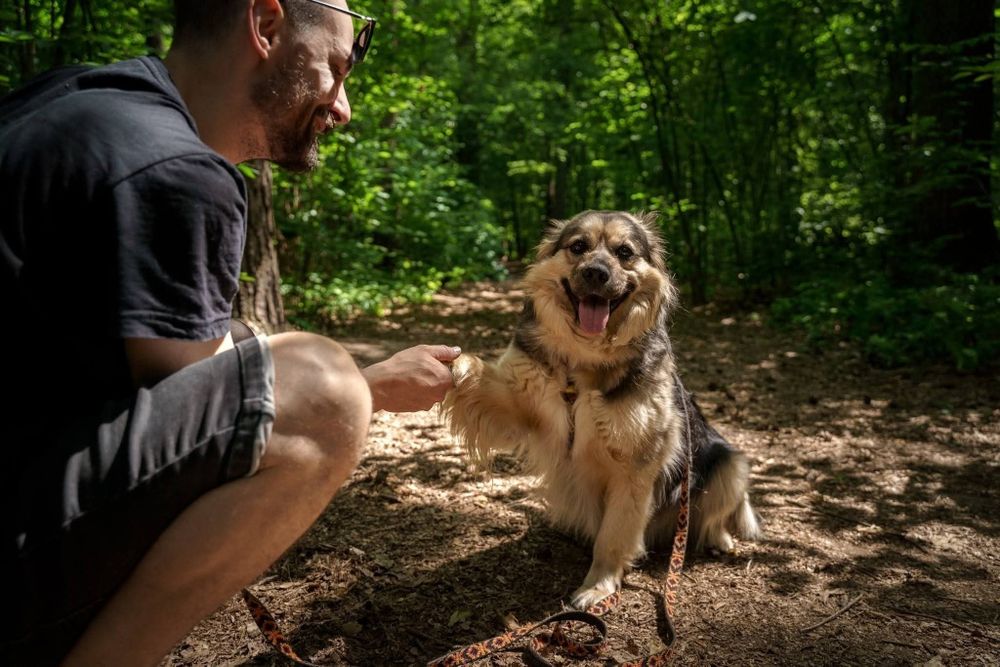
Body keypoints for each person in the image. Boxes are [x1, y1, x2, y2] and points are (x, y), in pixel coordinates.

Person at [0, 1, 458, 664]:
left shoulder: (76, 104)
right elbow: (207, 426)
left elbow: (176, 385)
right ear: (266, 25)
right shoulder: (176, 171)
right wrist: (361, 391)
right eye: (335, 67)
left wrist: (374, 382)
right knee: (325, 394)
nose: (343, 107)